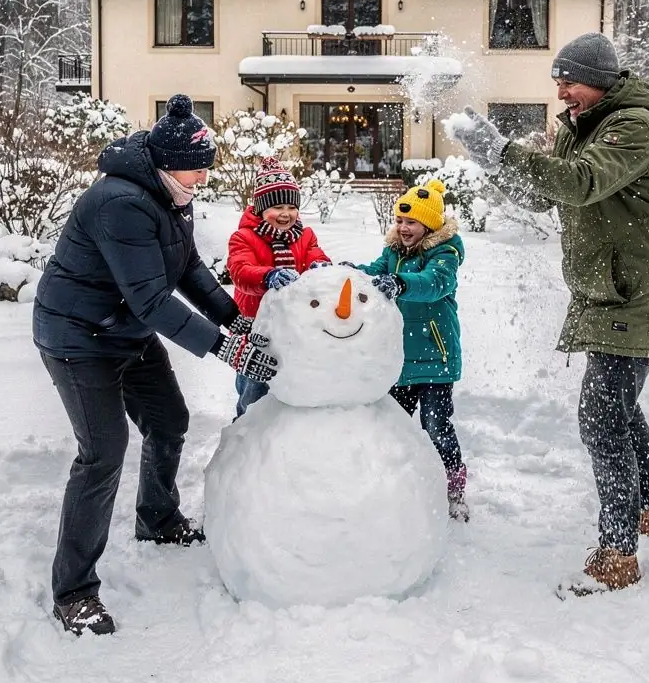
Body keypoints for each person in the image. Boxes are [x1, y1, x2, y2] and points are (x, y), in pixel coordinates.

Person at [453, 33, 649, 592]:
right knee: (620, 409)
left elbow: (582, 184)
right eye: (558, 82)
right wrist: (489, 158)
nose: (562, 92)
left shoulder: (633, 127)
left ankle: (618, 554)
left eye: (570, 81)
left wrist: (502, 150)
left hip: (639, 292)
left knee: (602, 416)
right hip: (613, 290)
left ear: (601, 81)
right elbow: (544, 196)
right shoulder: (581, 127)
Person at [34, 94, 278, 637]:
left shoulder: (173, 192)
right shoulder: (118, 202)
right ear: (166, 163)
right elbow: (150, 299)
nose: (203, 179)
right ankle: (73, 591)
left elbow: (187, 266)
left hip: (126, 329)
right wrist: (225, 348)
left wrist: (235, 320)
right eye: (197, 169)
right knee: (102, 452)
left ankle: (158, 518)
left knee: (169, 420)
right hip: (79, 337)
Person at [352, 178, 469, 521]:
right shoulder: (392, 253)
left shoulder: (445, 254)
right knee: (394, 425)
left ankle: (453, 484)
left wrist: (402, 283)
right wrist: (345, 273)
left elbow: (435, 284)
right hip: (399, 360)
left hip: (435, 359)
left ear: (429, 224)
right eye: (400, 221)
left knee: (436, 425)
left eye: (411, 222)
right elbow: (373, 275)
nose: (403, 228)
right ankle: (400, 484)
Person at [226, 159, 331, 416]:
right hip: (255, 328)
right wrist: (268, 276)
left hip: (295, 326)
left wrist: (320, 269)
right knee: (254, 389)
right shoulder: (244, 238)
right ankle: (244, 432)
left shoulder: (305, 237)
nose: (285, 213)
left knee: (290, 381)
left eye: (291, 206)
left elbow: (317, 257)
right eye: (277, 206)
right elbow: (240, 272)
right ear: (261, 209)